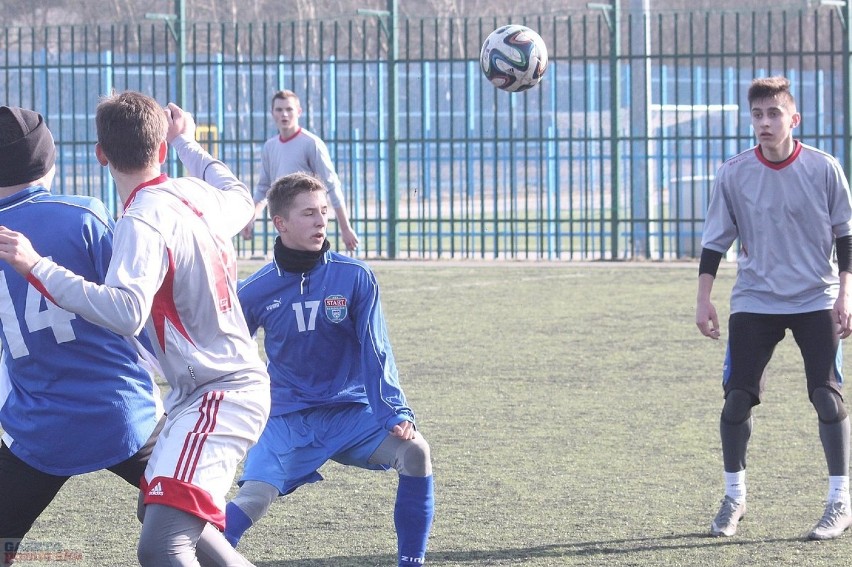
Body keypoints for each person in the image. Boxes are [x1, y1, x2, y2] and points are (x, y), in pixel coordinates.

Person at [0, 92, 271, 566]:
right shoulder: (102, 214)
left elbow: (126, 309)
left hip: (42, 420)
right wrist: (188, 143)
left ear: (100, 154)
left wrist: (35, 265)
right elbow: (242, 200)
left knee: (163, 536)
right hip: (129, 410)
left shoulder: (139, 218)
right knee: (173, 521)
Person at [224, 172, 434, 566]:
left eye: (323, 211)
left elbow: (377, 349)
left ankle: (411, 561)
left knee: (416, 452)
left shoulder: (354, 276)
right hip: (288, 417)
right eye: (308, 213)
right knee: (254, 497)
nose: (321, 221)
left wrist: (394, 412)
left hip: (351, 413)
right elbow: (228, 352)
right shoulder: (254, 290)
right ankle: (195, 556)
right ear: (281, 223)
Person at [0, 106, 162, 564]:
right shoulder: (85, 214)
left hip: (38, 424)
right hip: (121, 412)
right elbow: (139, 314)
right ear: (48, 159)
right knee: (187, 516)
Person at [696, 75, 852, 540]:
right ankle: (733, 498)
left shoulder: (824, 169)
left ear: (793, 119)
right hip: (755, 300)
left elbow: (846, 235)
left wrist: (847, 291)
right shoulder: (734, 172)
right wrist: (703, 299)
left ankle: (839, 502)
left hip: (816, 297)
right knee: (736, 400)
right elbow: (714, 244)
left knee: (827, 396)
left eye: (774, 114)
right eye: (757, 115)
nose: (764, 123)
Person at [239, 89, 360, 251]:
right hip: (286, 223)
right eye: (279, 109)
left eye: (289, 109)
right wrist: (249, 218)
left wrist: (345, 228)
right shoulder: (270, 146)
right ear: (272, 113)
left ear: (299, 112)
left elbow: (332, 186)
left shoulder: (311, 144)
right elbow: (264, 189)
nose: (284, 114)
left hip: (308, 221)